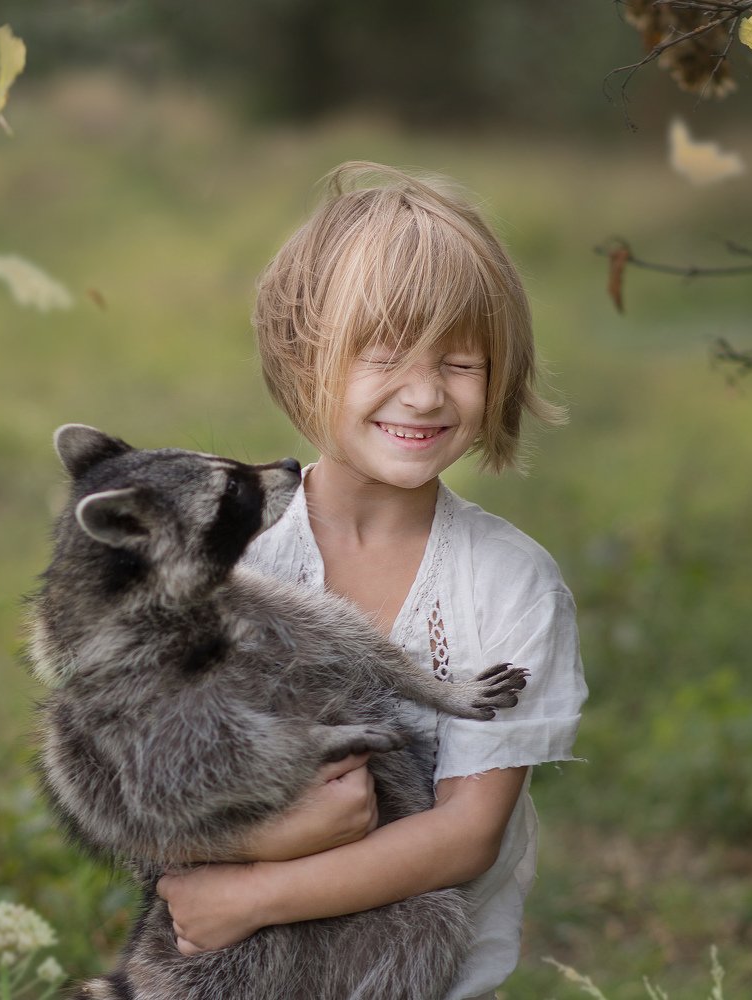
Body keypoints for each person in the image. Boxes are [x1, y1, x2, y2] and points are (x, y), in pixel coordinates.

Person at [156, 161, 587, 1000]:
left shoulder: (509, 583)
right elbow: (155, 790)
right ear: (301, 354)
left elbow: (467, 836)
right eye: (383, 355)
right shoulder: (230, 560)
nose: (424, 395)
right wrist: (281, 839)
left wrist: (253, 886)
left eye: (461, 363)